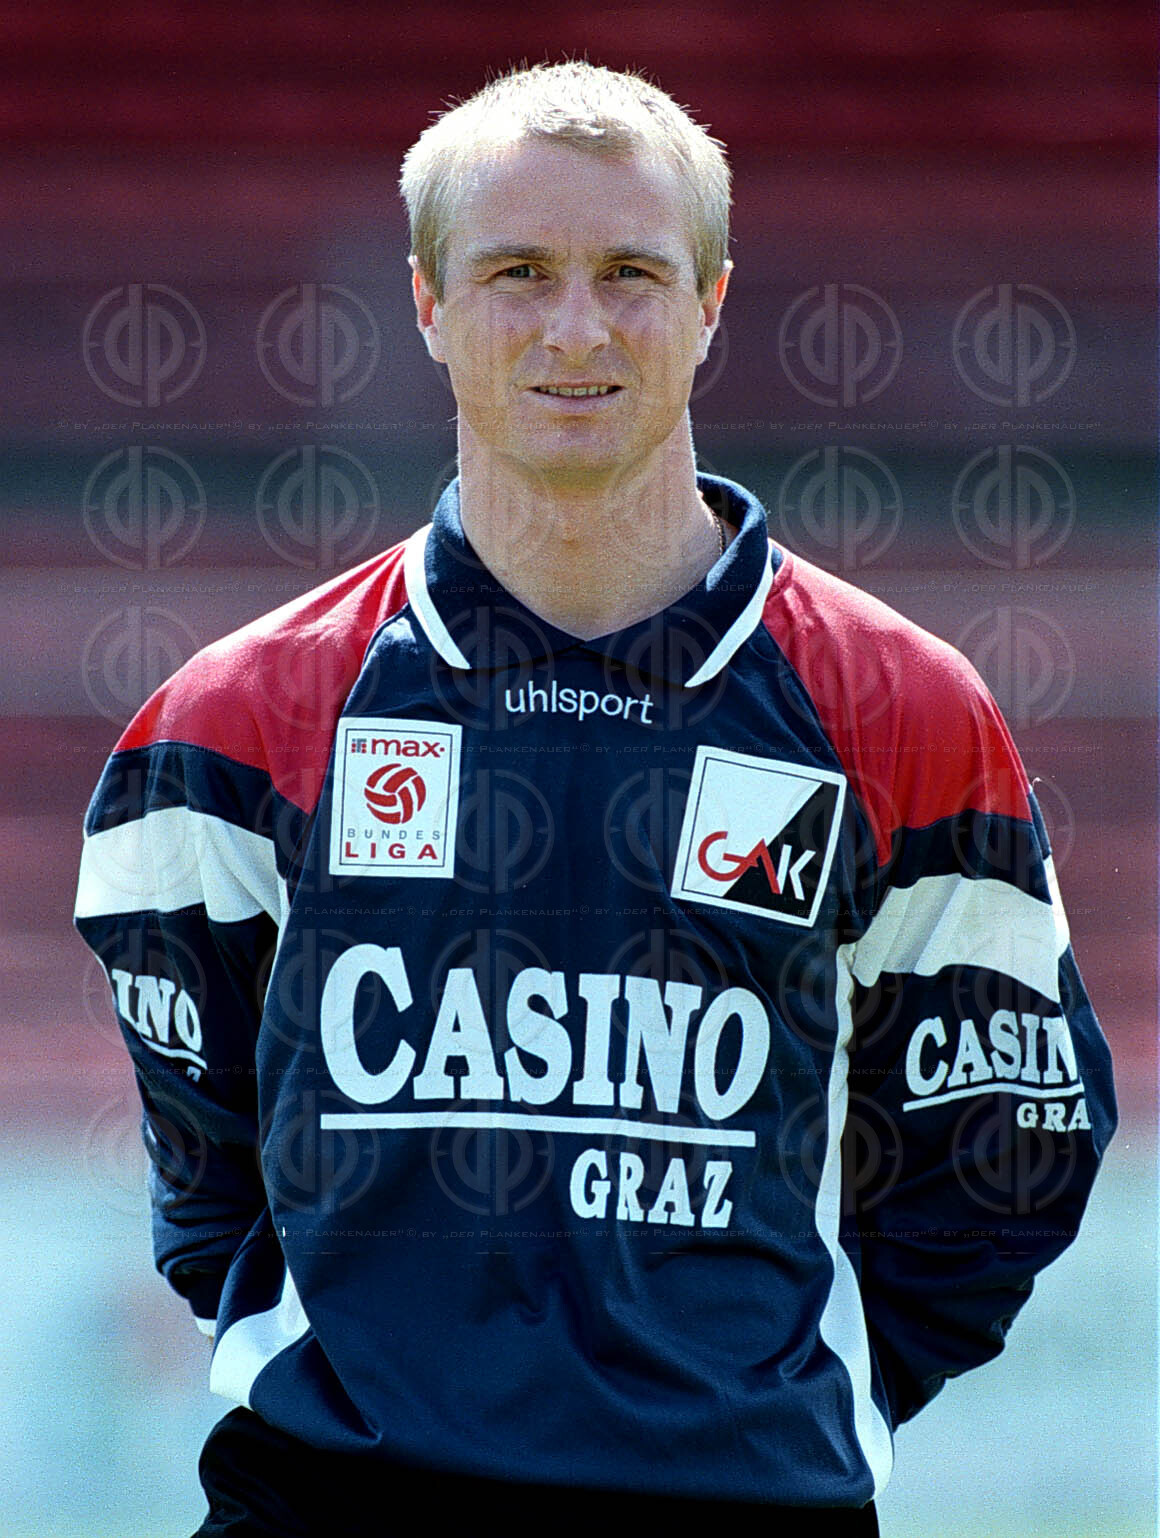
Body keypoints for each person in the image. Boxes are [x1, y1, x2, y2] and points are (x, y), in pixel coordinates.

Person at [74, 61, 1116, 1537]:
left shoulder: (903, 713)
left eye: (631, 272)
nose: (577, 328)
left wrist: (779, 1391)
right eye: (518, 274)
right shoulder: (235, 722)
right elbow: (206, 1167)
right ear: (429, 303)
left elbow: (1004, 1157)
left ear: (713, 301)